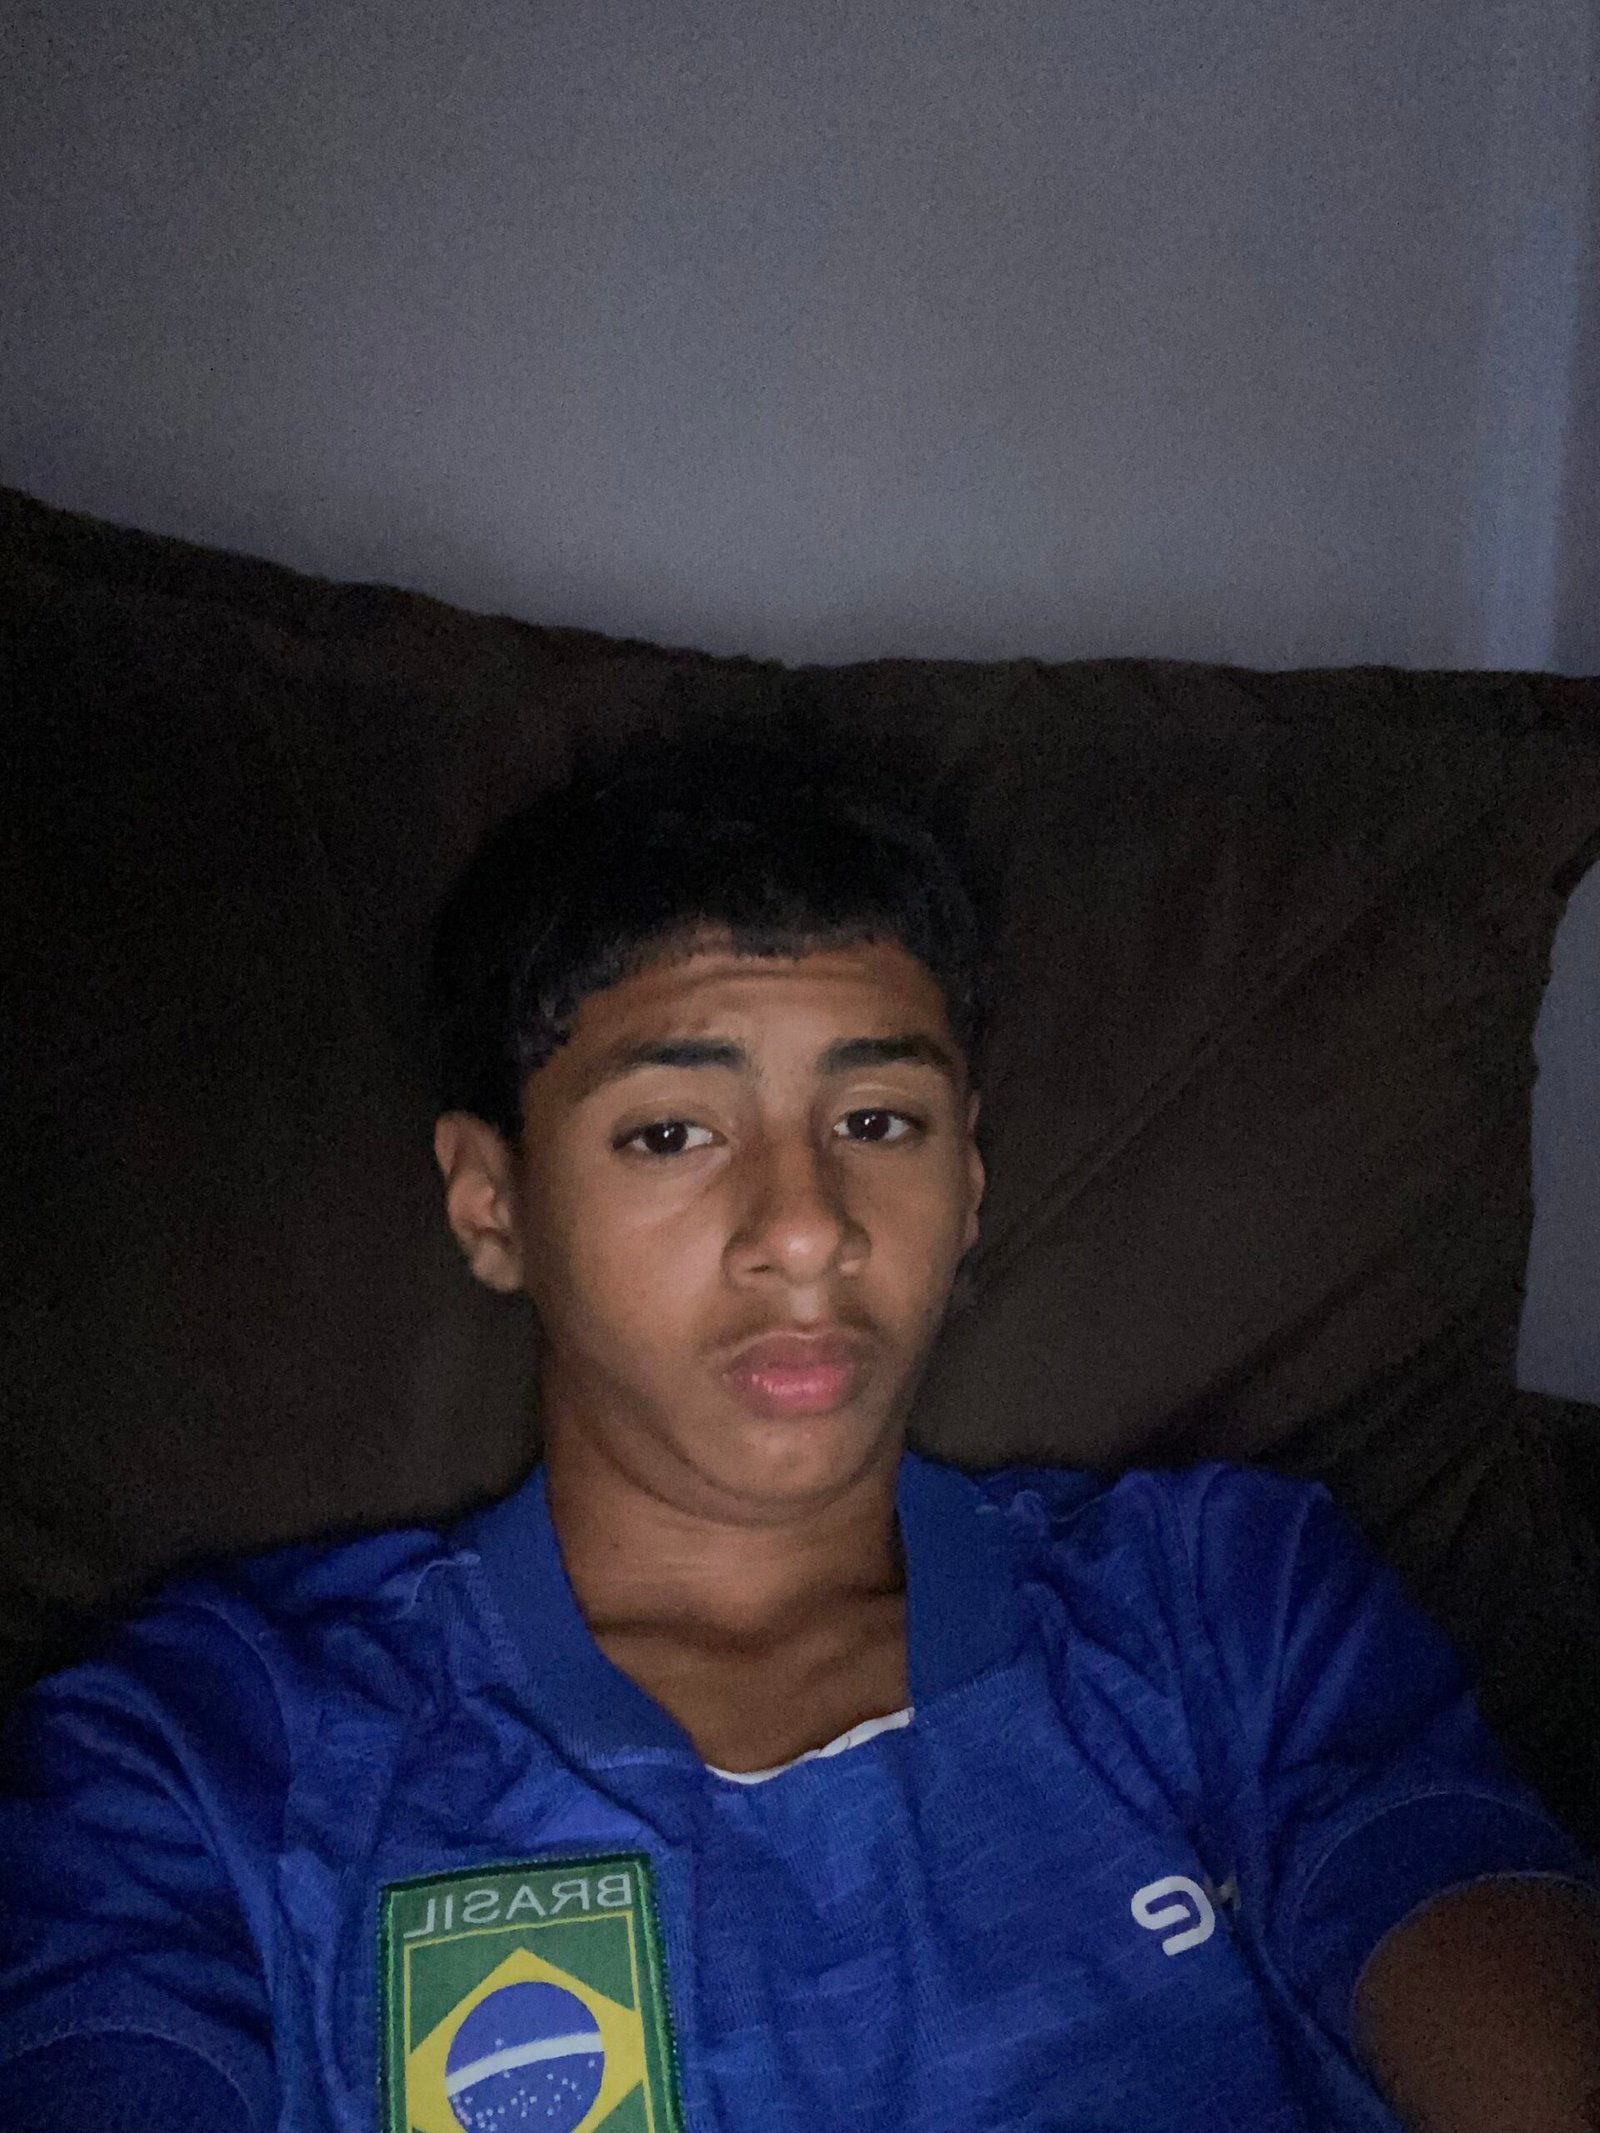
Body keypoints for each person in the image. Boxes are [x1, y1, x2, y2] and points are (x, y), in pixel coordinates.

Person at [1, 722, 1597, 2133]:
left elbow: (1474, 1939)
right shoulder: (215, 1746)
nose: (808, 1224)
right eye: (672, 1130)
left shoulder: (1224, 1607)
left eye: (877, 1119)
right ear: (493, 1206)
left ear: (970, 1183)